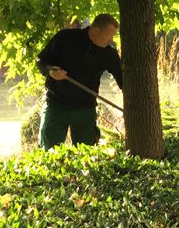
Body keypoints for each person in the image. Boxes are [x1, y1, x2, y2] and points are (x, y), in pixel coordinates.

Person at [36, 14, 123, 149]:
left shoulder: (109, 54)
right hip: (56, 105)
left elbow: (123, 81)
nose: (111, 40)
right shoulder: (66, 38)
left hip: (85, 109)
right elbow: (42, 60)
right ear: (95, 31)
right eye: (108, 36)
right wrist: (51, 72)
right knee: (48, 151)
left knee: (87, 155)